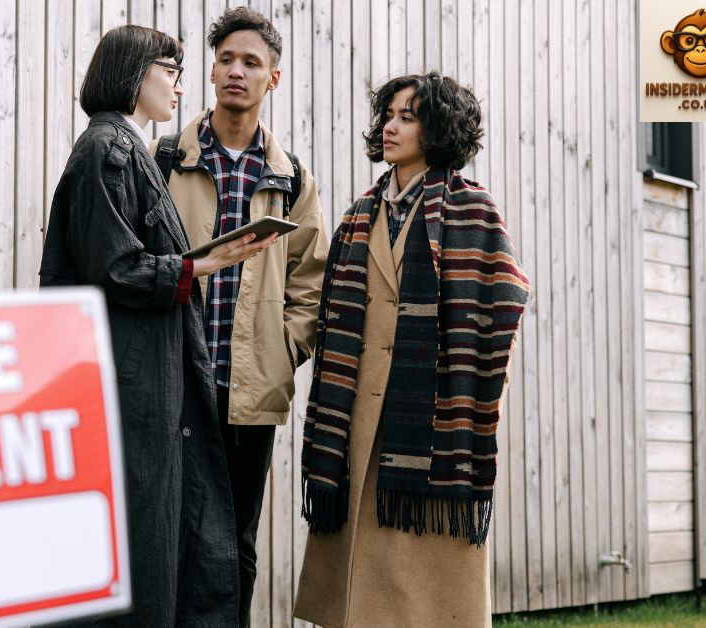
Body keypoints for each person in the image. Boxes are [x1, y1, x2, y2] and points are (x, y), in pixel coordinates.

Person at [39, 24, 276, 627]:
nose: (179, 86)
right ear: (134, 73)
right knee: (141, 531)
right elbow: (113, 266)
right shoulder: (108, 149)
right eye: (169, 72)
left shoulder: (124, 147)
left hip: (143, 373)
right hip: (131, 378)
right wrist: (201, 265)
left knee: (160, 530)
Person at [293, 72, 530, 627]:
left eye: (407, 116)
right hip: (356, 414)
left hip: (431, 414)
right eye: (388, 115)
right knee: (362, 580)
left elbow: (504, 302)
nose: (390, 126)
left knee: (423, 589)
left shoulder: (473, 209)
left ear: (438, 129)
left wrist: (472, 387)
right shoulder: (359, 214)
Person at [153, 8, 328, 623]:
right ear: (210, 71)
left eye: (251, 62)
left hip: (249, 391)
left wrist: (283, 351)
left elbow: (311, 279)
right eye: (226, 59)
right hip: (176, 383)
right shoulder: (165, 159)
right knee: (168, 535)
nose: (236, 71)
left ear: (272, 78)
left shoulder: (291, 177)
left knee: (235, 542)